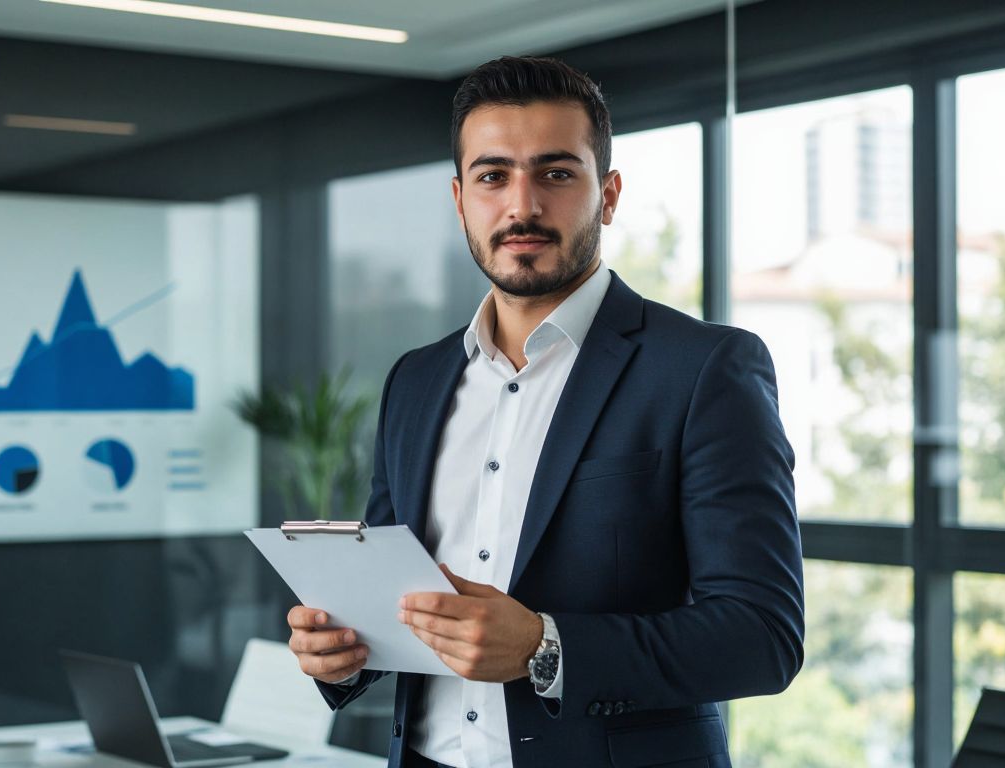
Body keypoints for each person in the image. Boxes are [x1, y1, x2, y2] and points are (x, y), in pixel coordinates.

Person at [286, 55, 803, 768]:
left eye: (556, 173)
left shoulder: (704, 369)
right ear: (460, 197)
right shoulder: (416, 379)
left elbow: (762, 637)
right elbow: (395, 592)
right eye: (493, 176)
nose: (521, 206)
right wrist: (343, 653)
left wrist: (543, 647)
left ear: (609, 194)